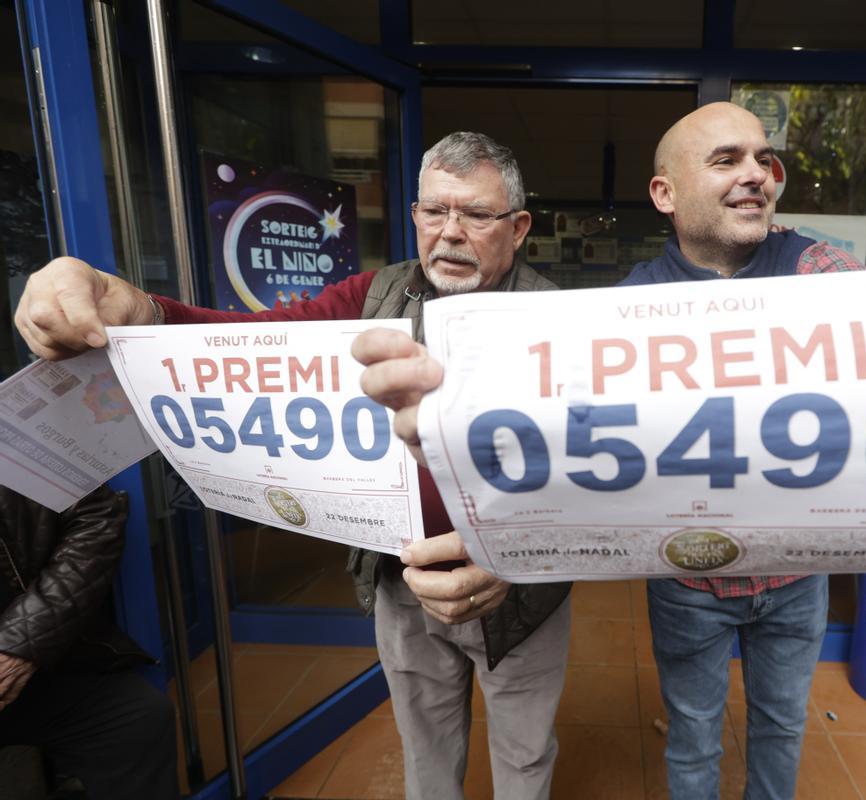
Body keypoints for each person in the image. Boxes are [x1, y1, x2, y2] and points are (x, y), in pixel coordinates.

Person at [348, 102, 866, 800]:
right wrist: (502, 526)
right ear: (666, 194)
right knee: (690, 735)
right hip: (688, 578)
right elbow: (578, 453)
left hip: (796, 582)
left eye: (764, 160)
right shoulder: (628, 307)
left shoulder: (820, 272)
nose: (756, 174)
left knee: (782, 730)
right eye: (726, 160)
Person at [13, 131, 572, 800]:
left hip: (520, 594)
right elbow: (251, 346)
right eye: (433, 211)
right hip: (398, 580)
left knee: (524, 753)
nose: (449, 233)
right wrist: (142, 311)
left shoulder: (562, 322)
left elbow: (591, 478)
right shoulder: (374, 293)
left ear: (518, 227)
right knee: (425, 748)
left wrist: (516, 548)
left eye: (476, 215)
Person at [0, 485, 178, 799]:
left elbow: (97, 515)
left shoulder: (15, 441)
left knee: (138, 717)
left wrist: (19, 645)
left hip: (19, 661)